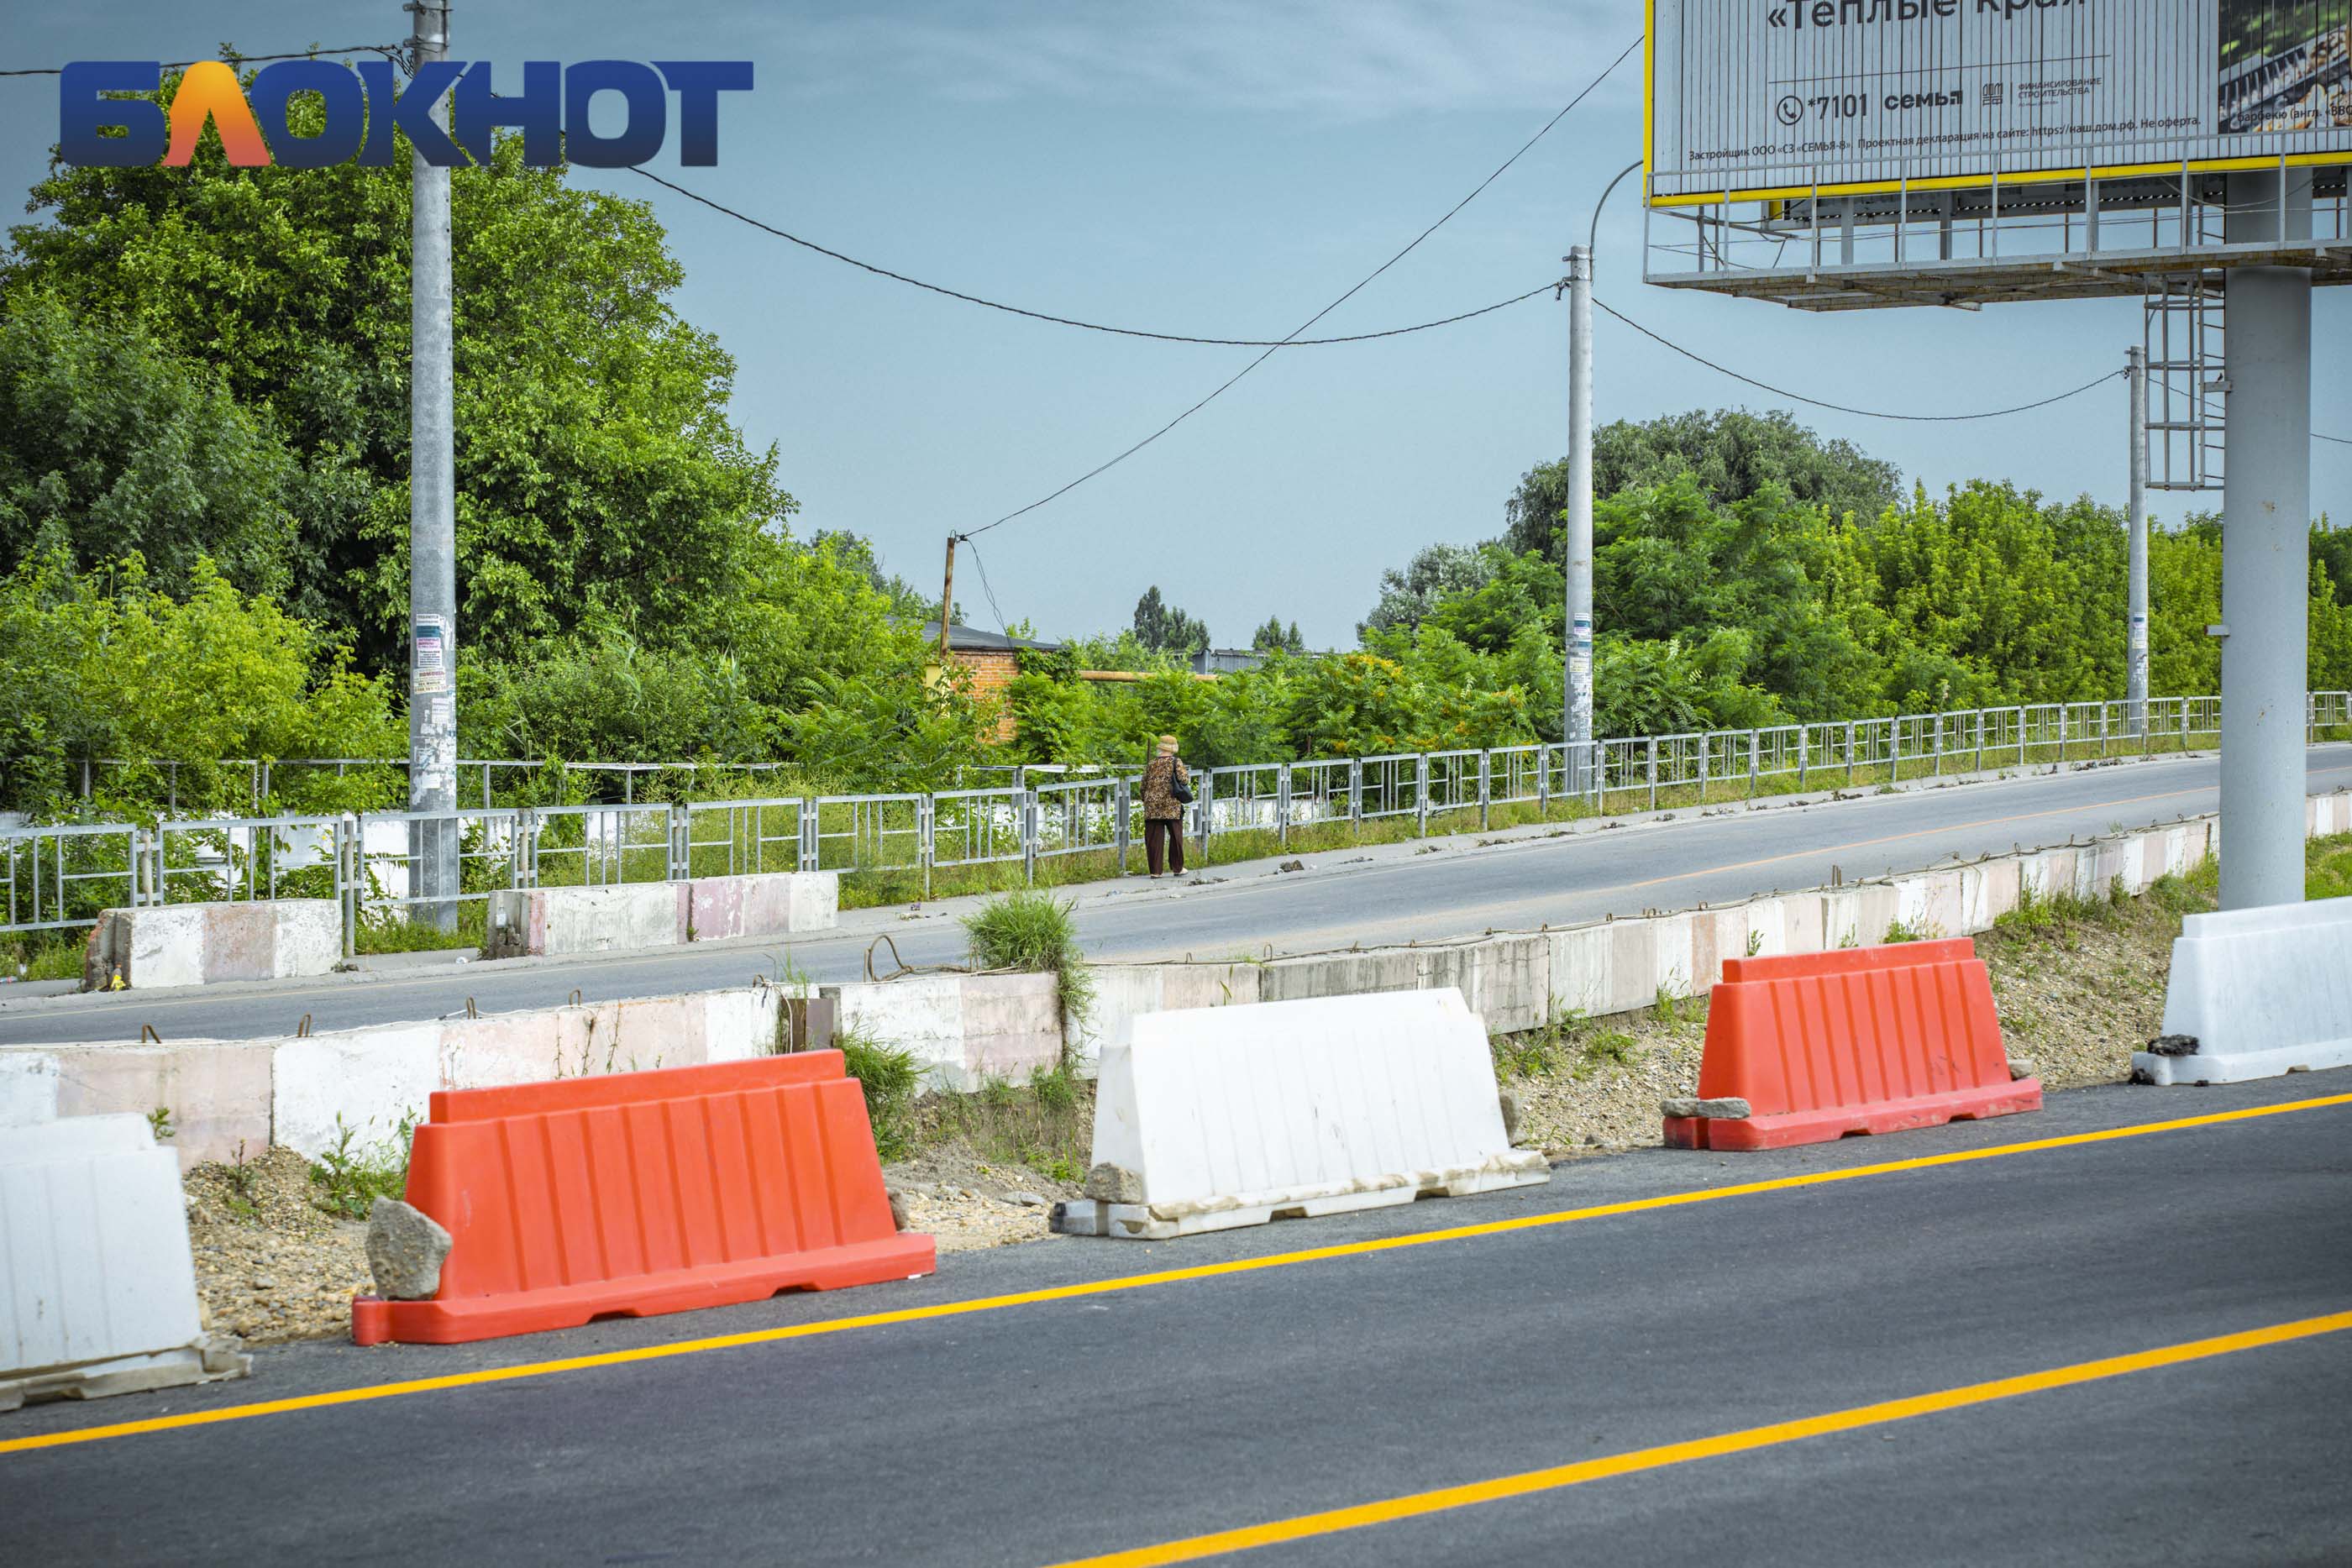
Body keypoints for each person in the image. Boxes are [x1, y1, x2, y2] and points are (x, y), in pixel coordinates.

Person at [1139, 734, 1190, 878]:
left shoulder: (1151, 764)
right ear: (1173, 748)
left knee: (1153, 839)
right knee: (1176, 837)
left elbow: (1143, 785)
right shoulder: (1175, 762)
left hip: (1152, 805)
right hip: (1171, 805)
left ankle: (1155, 871)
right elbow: (1184, 780)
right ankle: (1177, 868)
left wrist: (1147, 800)